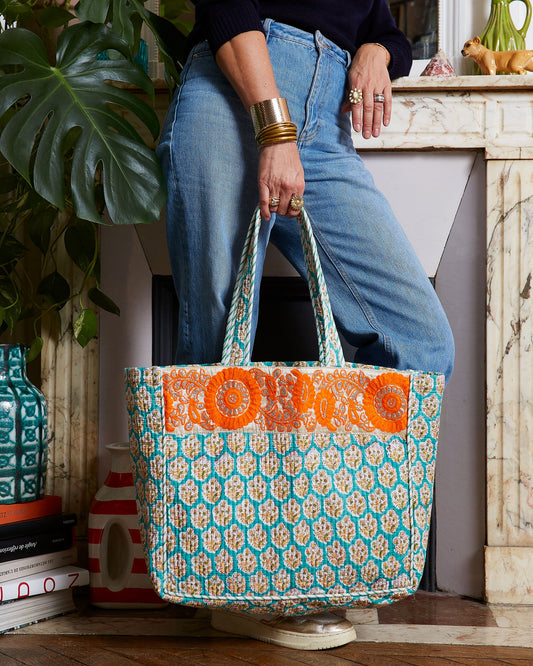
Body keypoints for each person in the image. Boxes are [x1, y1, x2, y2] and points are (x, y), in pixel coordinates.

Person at [157, 0, 455, 651]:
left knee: (421, 340)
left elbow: (379, 26)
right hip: (237, 97)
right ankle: (234, 584)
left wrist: (377, 52)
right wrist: (273, 128)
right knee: (218, 350)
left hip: (325, 120)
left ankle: (324, 561)